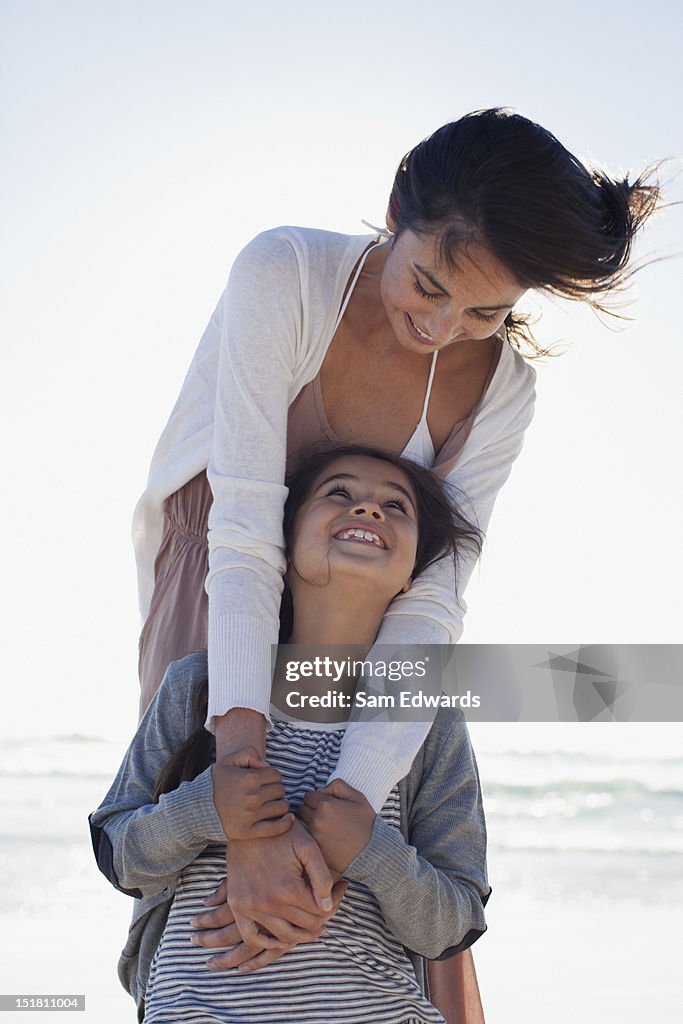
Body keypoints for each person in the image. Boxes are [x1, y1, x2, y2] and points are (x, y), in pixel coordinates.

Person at [130, 107, 660, 1007]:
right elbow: (248, 533)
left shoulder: (503, 387)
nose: (444, 326)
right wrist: (250, 811)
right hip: (225, 563)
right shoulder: (286, 271)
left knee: (402, 842)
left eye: (488, 310)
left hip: (384, 604)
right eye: (427, 285)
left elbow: (435, 596)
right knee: (205, 848)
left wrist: (350, 815)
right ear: (391, 214)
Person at [92, 447, 490, 1023]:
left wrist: (370, 851)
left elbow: (454, 922)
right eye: (339, 493)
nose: (369, 509)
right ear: (282, 542)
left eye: (394, 505)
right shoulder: (200, 684)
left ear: (413, 577)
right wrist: (204, 809)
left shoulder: (429, 717)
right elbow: (119, 854)